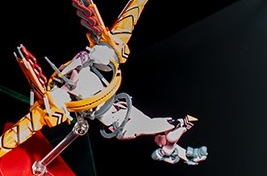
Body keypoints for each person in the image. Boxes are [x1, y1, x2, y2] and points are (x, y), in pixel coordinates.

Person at [48, 42, 208, 165]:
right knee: (161, 126)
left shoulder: (83, 69)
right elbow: (65, 95)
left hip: (120, 113)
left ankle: (174, 150)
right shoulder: (72, 82)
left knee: (160, 129)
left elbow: (88, 59)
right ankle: (173, 148)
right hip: (119, 119)